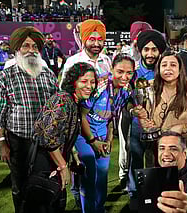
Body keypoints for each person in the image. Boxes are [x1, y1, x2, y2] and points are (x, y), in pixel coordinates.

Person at [0, 26, 58, 213]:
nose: (31, 50)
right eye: (26, 45)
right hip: (18, 142)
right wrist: (1, 144)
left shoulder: (48, 76)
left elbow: (57, 109)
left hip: (46, 144)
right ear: (16, 49)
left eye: (35, 46)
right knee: (20, 186)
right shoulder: (4, 77)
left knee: (46, 185)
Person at [26, 62, 98, 213]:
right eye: (83, 81)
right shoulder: (63, 100)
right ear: (73, 82)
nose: (89, 86)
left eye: (92, 82)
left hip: (54, 162)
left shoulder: (74, 101)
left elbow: (63, 134)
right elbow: (48, 136)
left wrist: (73, 156)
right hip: (45, 165)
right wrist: (63, 167)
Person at [60, 19, 112, 208]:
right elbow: (65, 96)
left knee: (102, 175)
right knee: (87, 173)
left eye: (100, 39)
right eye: (92, 39)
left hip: (102, 126)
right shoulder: (74, 62)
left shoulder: (107, 61)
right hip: (81, 128)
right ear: (83, 39)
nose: (96, 43)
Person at [75, 53, 135, 213]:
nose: (124, 76)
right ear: (112, 69)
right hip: (85, 135)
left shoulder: (126, 90)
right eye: (120, 71)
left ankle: (99, 208)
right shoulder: (99, 85)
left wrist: (108, 140)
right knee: (89, 174)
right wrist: (93, 141)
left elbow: (112, 117)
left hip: (102, 135)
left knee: (102, 177)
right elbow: (81, 116)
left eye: (129, 73)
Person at [137, 50, 187, 168]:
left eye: (173, 65)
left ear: (179, 68)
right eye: (164, 65)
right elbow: (146, 116)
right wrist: (146, 124)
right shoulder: (150, 87)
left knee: (180, 184)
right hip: (156, 148)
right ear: (159, 68)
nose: (168, 68)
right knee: (156, 184)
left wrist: (182, 128)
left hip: (181, 147)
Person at [127, 29, 167, 210]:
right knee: (135, 165)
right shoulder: (132, 73)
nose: (150, 54)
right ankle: (135, 199)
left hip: (160, 128)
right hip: (137, 128)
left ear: (160, 51)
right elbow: (126, 102)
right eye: (146, 49)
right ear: (140, 50)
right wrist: (137, 114)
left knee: (157, 165)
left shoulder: (166, 71)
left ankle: (155, 200)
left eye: (154, 49)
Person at [117, 21, 152, 191]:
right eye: (142, 46)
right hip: (133, 117)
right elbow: (123, 91)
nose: (148, 51)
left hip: (157, 123)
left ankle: (151, 193)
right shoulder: (131, 64)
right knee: (130, 152)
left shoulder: (164, 65)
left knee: (155, 161)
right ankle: (129, 185)